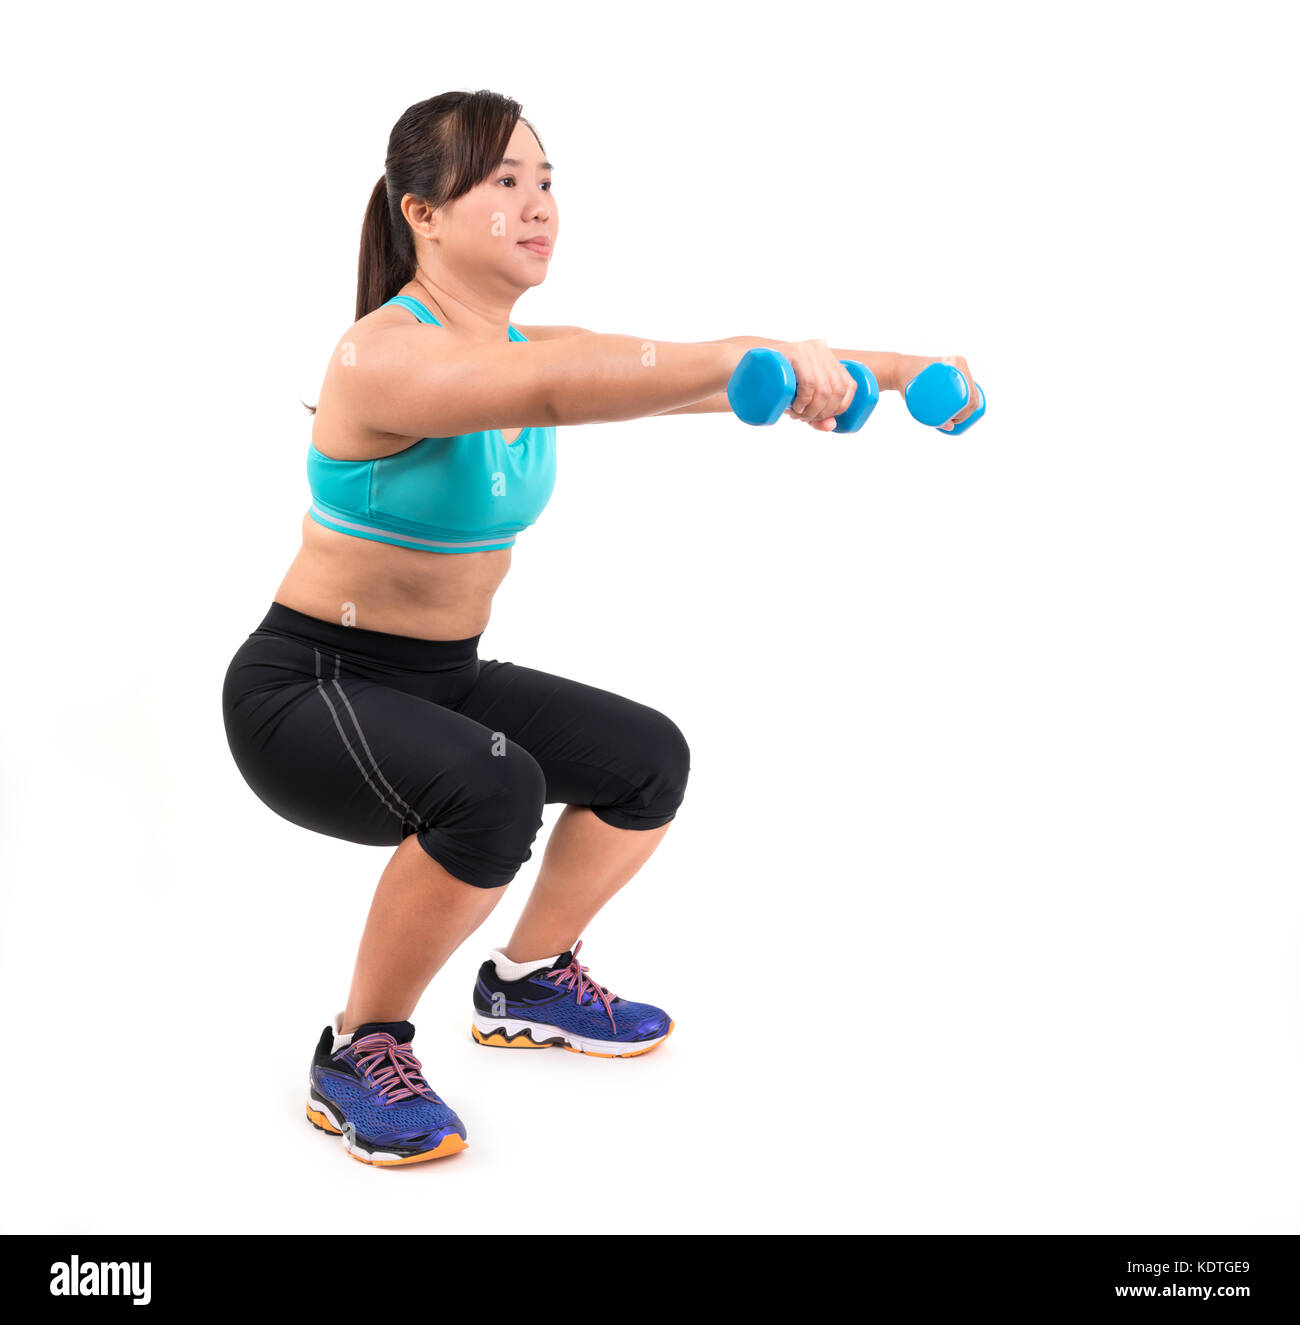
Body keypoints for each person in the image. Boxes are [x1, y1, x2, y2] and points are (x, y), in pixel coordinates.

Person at [221, 88, 983, 1167]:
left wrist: (894, 373)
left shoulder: (529, 343)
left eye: (546, 180)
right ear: (421, 213)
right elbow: (565, 385)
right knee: (494, 786)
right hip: (307, 691)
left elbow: (665, 364)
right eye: (503, 181)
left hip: (436, 678)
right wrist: (734, 370)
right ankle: (360, 1045)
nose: (537, 204)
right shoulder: (383, 356)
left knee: (644, 758)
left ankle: (527, 979)